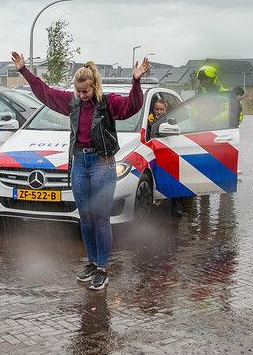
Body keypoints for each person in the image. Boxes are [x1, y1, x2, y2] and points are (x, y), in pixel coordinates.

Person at [10, 51, 149, 290]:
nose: (81, 96)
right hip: (80, 165)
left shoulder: (108, 103)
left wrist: (136, 81)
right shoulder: (73, 102)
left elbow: (132, 107)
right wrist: (24, 70)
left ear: (95, 86)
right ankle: (92, 263)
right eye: (78, 91)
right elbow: (45, 93)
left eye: (85, 91)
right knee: (85, 218)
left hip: (102, 164)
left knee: (100, 218)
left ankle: (103, 268)